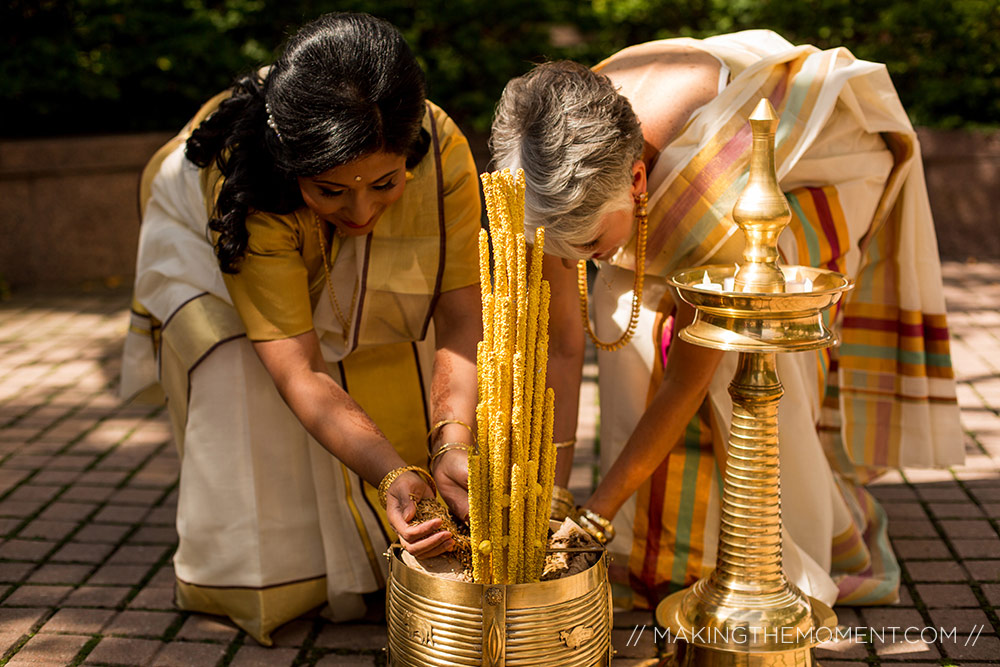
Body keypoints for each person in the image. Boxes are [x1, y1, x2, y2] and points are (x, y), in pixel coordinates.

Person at [490, 30, 962, 612]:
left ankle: (761, 551)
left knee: (739, 351)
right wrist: (554, 497)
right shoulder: (553, 169)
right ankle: (658, 547)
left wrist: (594, 517)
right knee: (618, 301)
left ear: (638, 183)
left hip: (821, 172)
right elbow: (564, 344)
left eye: (582, 246)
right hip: (666, 191)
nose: (567, 265)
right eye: (556, 249)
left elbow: (687, 379)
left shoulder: (714, 188)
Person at [120, 13, 482, 644]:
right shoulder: (251, 186)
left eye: (386, 183)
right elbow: (301, 369)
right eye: (332, 191)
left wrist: (451, 444)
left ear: (410, 153)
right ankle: (278, 575)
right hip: (203, 238)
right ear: (295, 169)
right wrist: (395, 475)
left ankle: (373, 552)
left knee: (401, 338)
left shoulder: (441, 145)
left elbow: (457, 314)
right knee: (241, 368)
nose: (363, 212)